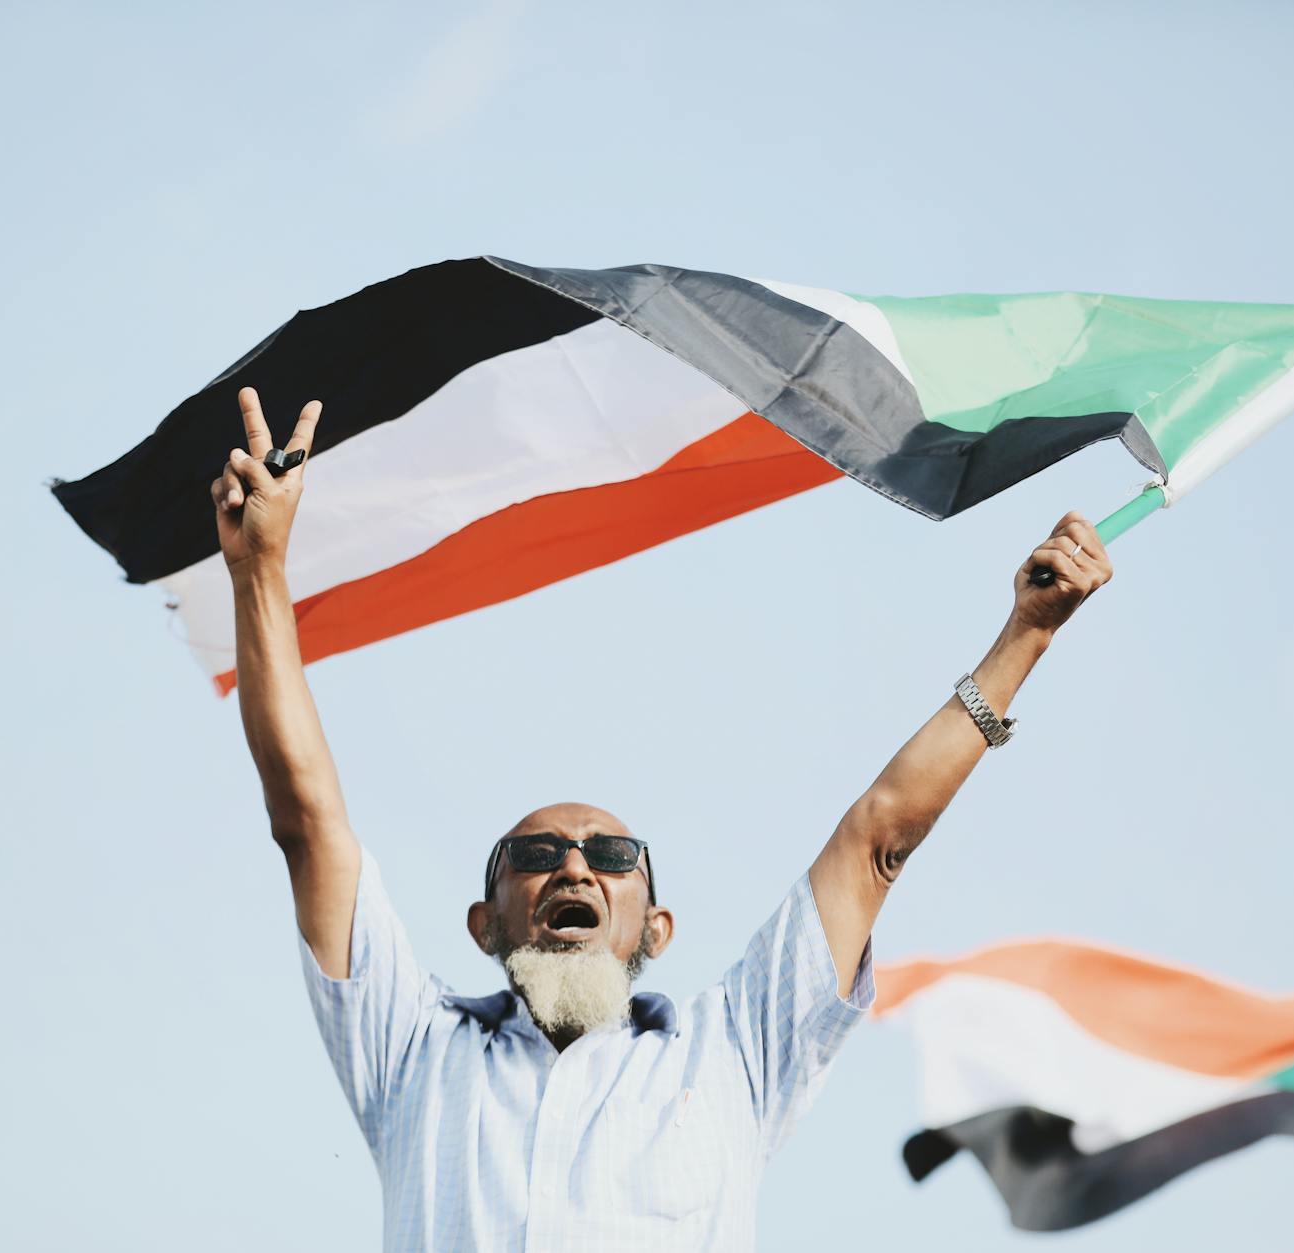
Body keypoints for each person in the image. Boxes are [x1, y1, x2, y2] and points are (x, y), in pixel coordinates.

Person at [210, 388, 1112, 1250]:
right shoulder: (414, 1056)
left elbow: (877, 838)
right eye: (536, 853)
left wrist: (1024, 636)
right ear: (485, 923)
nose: (574, 869)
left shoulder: (732, 1056)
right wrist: (260, 570)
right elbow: (307, 817)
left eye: (611, 855)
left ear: (658, 925)